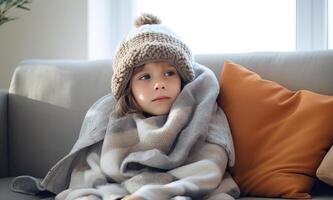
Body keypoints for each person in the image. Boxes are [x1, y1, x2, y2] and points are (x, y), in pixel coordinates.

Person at [11, 13, 239, 200]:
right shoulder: (112, 119)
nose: (159, 84)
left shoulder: (200, 113)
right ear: (128, 86)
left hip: (183, 191)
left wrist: (150, 195)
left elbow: (209, 168)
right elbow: (89, 174)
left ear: (183, 79)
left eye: (169, 73)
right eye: (145, 77)